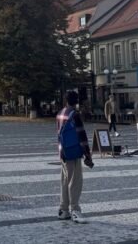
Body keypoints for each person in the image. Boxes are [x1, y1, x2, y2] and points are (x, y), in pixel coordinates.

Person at [56, 91, 93, 223]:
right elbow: (82, 136)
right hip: (74, 152)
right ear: (76, 101)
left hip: (63, 152)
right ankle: (75, 210)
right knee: (75, 182)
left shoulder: (60, 113)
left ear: (66, 100)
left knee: (64, 181)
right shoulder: (74, 115)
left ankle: (63, 210)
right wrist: (88, 156)